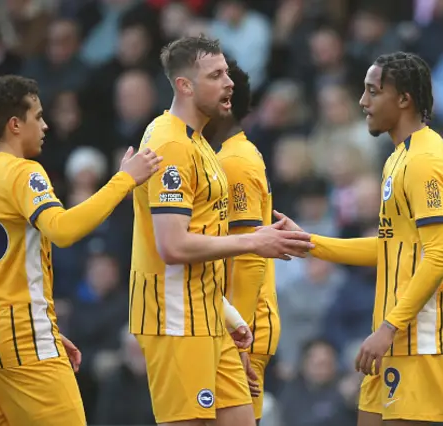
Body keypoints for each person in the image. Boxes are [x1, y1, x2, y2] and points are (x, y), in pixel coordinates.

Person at [0, 75, 161, 426]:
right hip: (22, 341)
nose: (45, 125)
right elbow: (63, 230)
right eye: (38, 116)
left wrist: (47, 328)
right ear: (15, 125)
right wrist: (124, 180)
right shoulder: (23, 172)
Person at [271, 51, 443, 425]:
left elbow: (439, 256)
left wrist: (389, 328)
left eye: (373, 92)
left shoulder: (426, 161)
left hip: (420, 334)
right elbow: (390, 248)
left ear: (404, 99)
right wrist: (311, 243)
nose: (363, 102)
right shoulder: (397, 158)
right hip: (393, 333)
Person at [130, 35, 314, 426]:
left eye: (228, 73)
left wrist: (233, 318)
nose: (229, 82)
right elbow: (173, 245)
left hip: (211, 317)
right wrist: (255, 241)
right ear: (185, 85)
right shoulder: (171, 144)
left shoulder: (202, 147)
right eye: (216, 75)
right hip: (176, 318)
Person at [204, 59, 280, 425]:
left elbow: (250, 255)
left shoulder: (235, 162)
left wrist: (240, 337)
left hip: (245, 326)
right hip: (234, 323)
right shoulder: (225, 156)